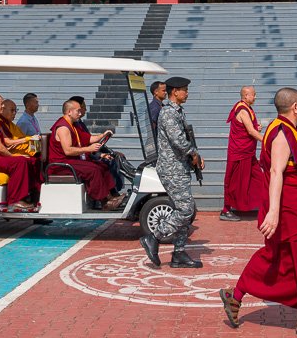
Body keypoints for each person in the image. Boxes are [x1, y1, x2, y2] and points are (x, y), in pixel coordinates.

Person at [220, 87, 297, 338]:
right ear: (295, 107)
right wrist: (273, 213)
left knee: (279, 262)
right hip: (292, 212)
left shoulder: (287, 129)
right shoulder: (282, 134)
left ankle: (236, 294)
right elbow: (276, 172)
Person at [140, 76, 203, 269]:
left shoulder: (177, 111)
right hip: (171, 168)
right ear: (174, 92)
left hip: (178, 167)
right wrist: (193, 153)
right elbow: (177, 140)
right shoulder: (168, 113)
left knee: (182, 208)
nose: (187, 93)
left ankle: (179, 253)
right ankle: (154, 236)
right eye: (184, 89)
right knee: (186, 210)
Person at [48, 99, 122, 210]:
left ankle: (112, 195)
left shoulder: (73, 125)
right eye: (77, 111)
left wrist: (103, 134)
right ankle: (104, 201)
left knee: (102, 166)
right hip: (61, 165)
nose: (80, 113)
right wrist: (88, 149)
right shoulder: (63, 128)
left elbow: (89, 138)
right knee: (93, 170)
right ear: (69, 112)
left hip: (71, 160)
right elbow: (67, 151)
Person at [221, 85, 266, 222]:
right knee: (234, 182)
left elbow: (249, 128)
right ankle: (226, 210)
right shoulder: (242, 110)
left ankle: (267, 206)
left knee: (260, 178)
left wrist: (255, 127)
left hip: (248, 153)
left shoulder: (246, 108)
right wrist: (267, 140)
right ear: (246, 96)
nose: (255, 97)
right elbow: (251, 132)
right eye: (254, 94)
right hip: (239, 153)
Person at [70, 95, 127, 193]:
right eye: (83, 108)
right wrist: (100, 154)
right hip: (83, 155)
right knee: (107, 162)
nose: (85, 110)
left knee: (118, 157)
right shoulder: (71, 126)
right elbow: (83, 145)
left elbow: (89, 139)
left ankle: (116, 190)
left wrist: (104, 142)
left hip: (90, 152)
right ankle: (112, 193)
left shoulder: (80, 123)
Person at [0, 98, 43, 201]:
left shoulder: (11, 125)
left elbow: (20, 139)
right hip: (6, 154)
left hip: (20, 150)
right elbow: (7, 143)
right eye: (12, 110)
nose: (14, 113)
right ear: (2, 109)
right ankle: (19, 198)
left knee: (38, 159)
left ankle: (35, 192)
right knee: (24, 161)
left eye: (16, 110)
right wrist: (29, 139)